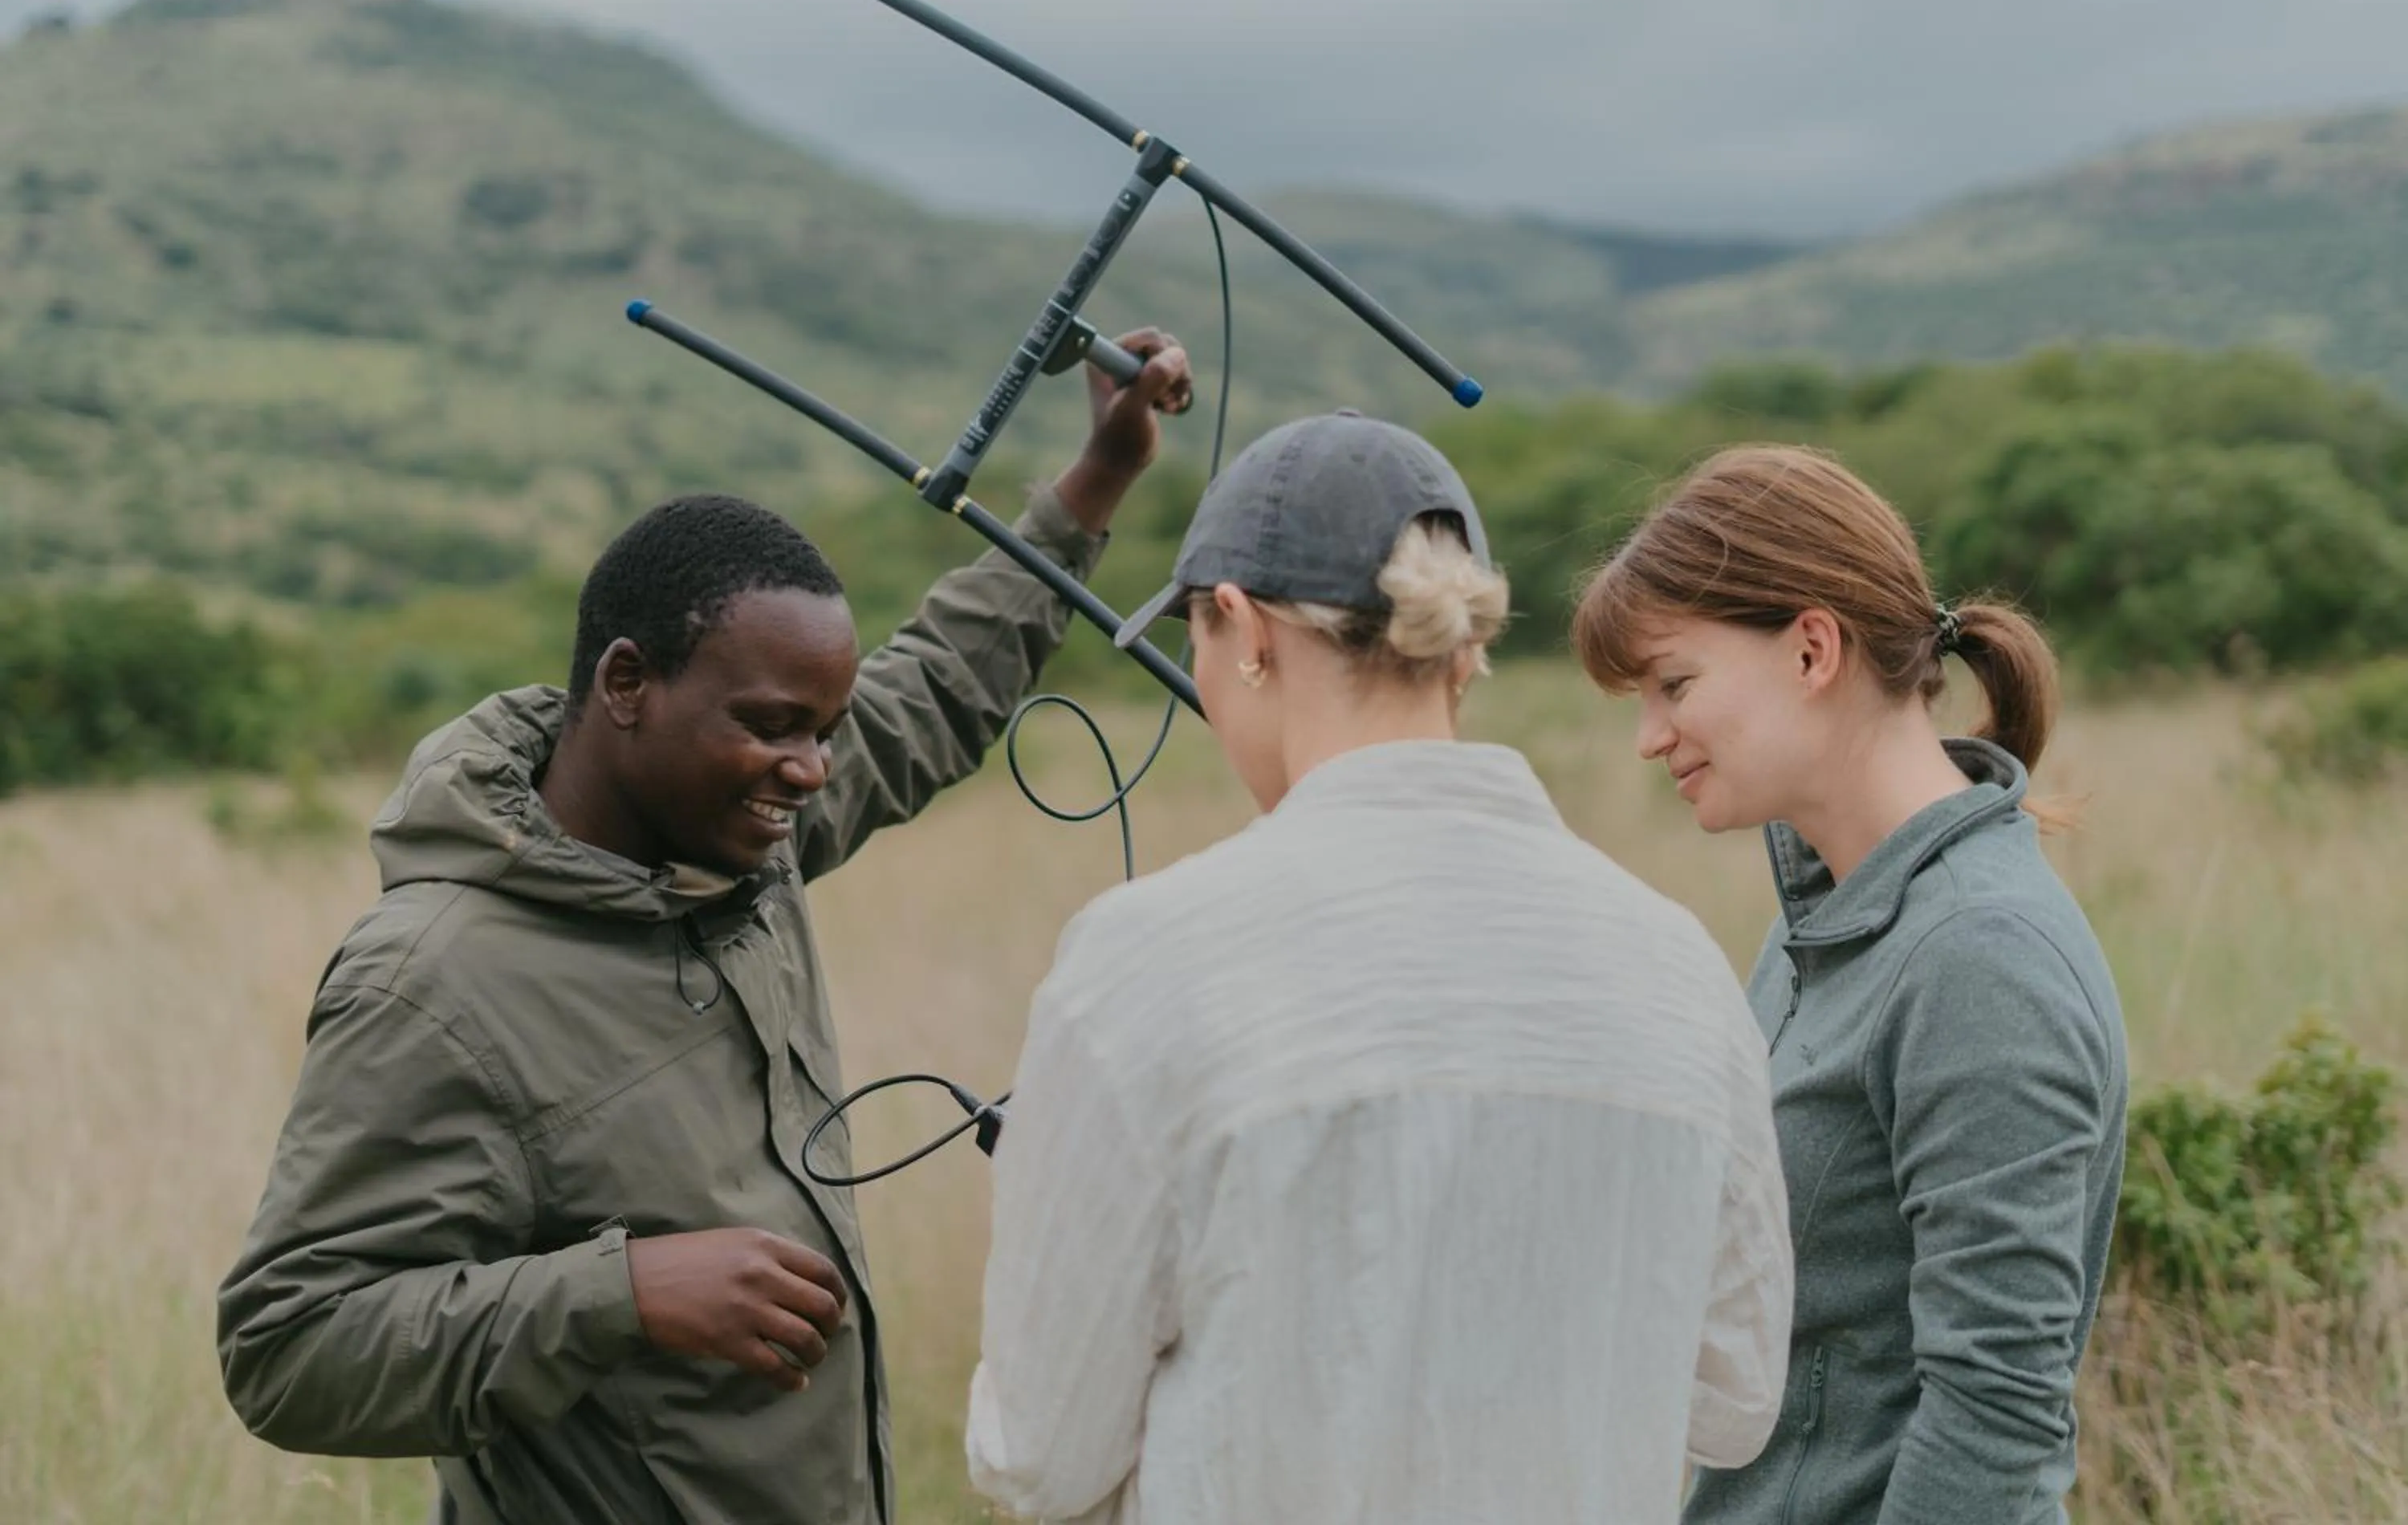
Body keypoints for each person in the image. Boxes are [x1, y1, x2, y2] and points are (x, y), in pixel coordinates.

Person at [214, 332, 1195, 1525]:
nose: (812, 770)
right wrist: (619, 1292)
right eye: (777, 725)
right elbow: (288, 1348)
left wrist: (1096, 478)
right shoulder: (432, 982)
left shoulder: (734, 842)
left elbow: (933, 687)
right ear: (628, 685)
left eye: (824, 730)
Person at [963, 410, 1794, 1525]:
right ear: (1461, 649)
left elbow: (1036, 1456)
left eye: (1199, 645)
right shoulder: (1679, 969)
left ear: (1241, 628)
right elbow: (1736, 1401)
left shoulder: (1146, 961)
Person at [1570, 444, 2130, 1525]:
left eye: (1674, 684)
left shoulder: (1982, 957)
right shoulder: (1822, 920)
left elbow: (1999, 1419)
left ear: (1813, 648)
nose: (1650, 737)